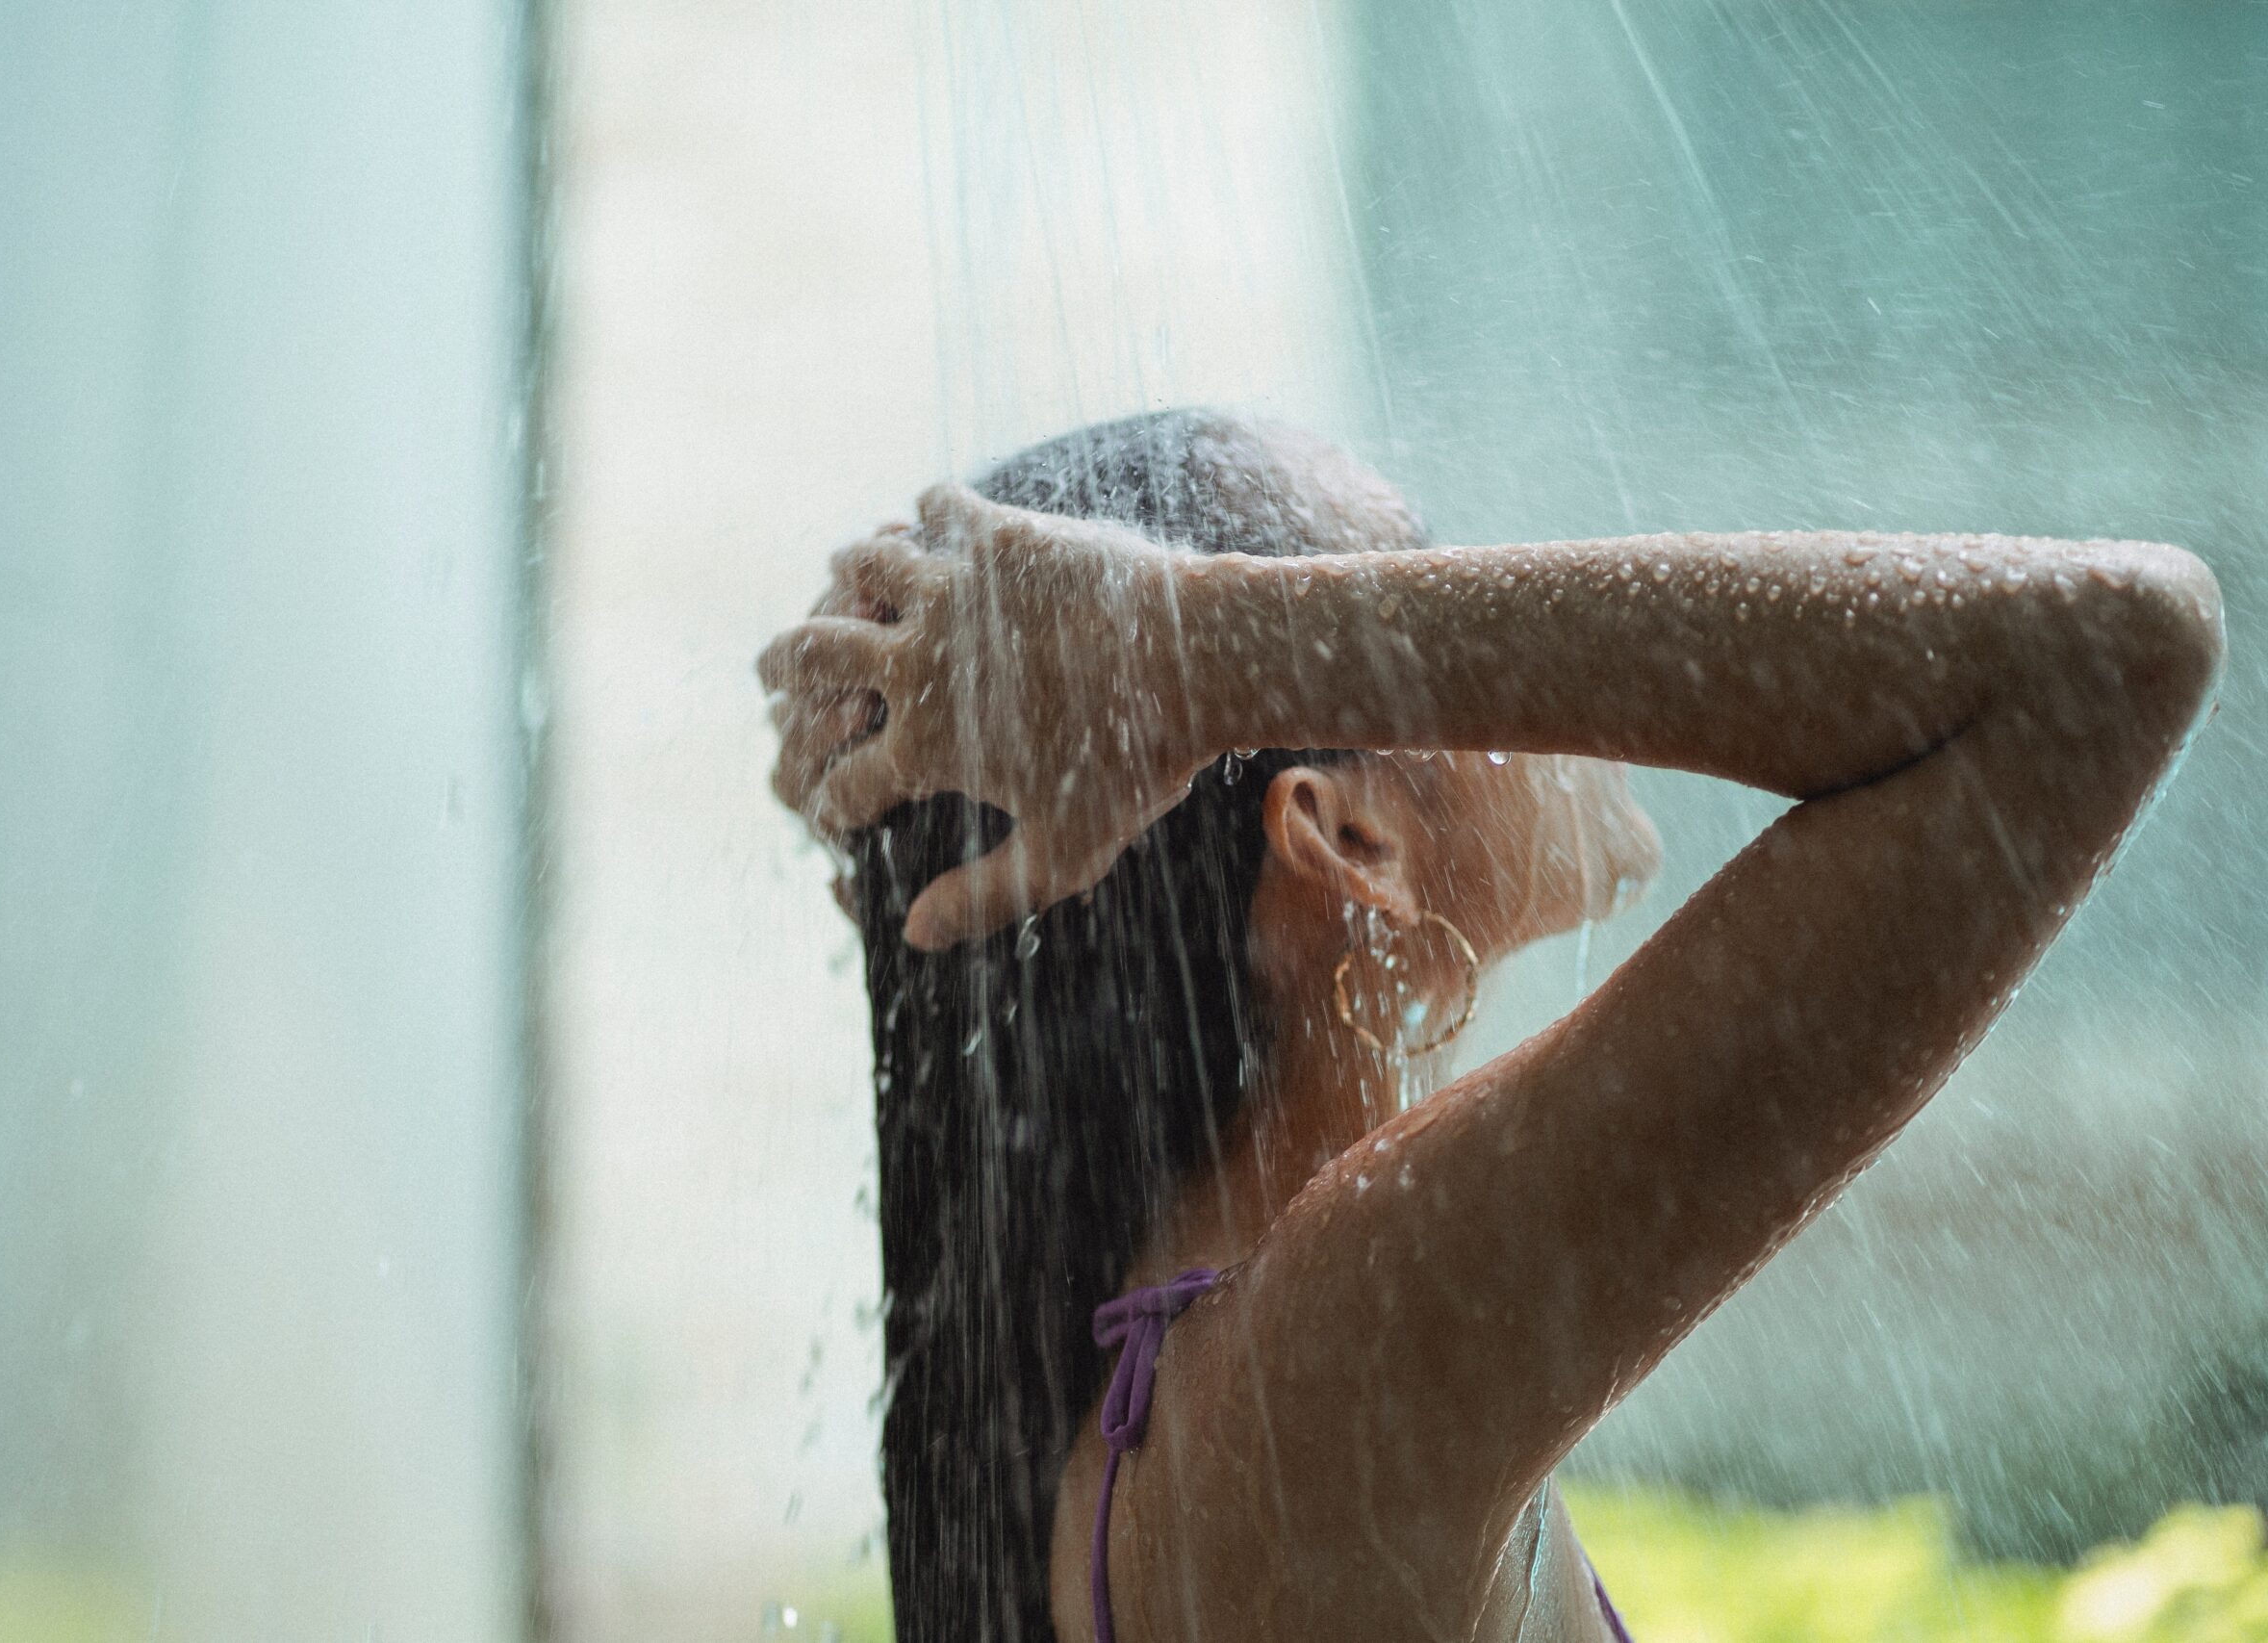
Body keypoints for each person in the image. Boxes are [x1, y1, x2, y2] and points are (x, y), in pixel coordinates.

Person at [757, 411, 2222, 1643]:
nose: (1488, 616)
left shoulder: (1228, 1372)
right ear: (1348, 843)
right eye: (1406, 585)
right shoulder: (1322, 1360)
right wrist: (1199, 643)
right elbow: (2104, 653)